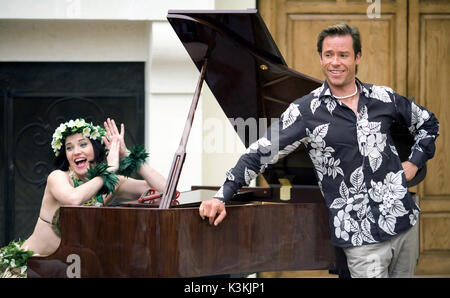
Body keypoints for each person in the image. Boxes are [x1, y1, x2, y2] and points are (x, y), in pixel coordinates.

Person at [199, 23, 439, 278]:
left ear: (357, 57)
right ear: (321, 58)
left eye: (343, 55)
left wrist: (414, 163)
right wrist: (221, 196)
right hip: (360, 240)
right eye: (328, 55)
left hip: (404, 222)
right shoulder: (305, 111)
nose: (335, 62)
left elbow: (428, 123)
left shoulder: (383, 98)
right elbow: (259, 153)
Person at [0, 118, 166, 277]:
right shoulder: (58, 178)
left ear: (96, 148)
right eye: (69, 148)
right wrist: (109, 170)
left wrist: (126, 153)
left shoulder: (112, 184)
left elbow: (166, 189)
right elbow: (73, 199)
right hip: (26, 269)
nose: (76, 151)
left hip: (68, 270)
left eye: (83, 144)